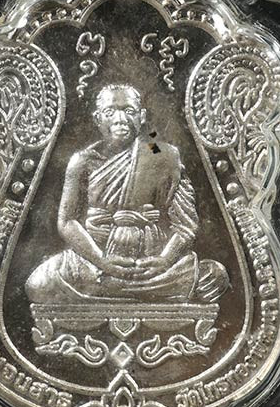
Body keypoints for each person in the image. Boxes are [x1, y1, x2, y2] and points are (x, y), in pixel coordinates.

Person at [26, 84, 228, 303]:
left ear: (142, 117)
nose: (120, 119)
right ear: (97, 119)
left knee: (214, 277)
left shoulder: (162, 156)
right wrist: (101, 260)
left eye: (129, 111)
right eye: (110, 112)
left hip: (151, 266)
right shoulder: (82, 161)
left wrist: (165, 259)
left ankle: (118, 290)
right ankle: (138, 292)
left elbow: (186, 224)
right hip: (94, 263)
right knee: (39, 284)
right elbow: (67, 222)